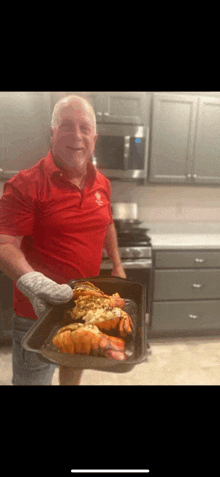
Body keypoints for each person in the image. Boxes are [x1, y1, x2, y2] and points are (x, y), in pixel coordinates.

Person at [0, 94, 126, 385]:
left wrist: (117, 265)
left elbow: (107, 223)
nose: (77, 136)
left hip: (84, 307)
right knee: (34, 381)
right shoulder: (24, 184)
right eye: (67, 126)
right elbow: (5, 244)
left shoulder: (102, 183)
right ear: (52, 133)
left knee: (73, 370)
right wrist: (34, 282)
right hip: (37, 312)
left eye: (84, 127)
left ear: (94, 137)